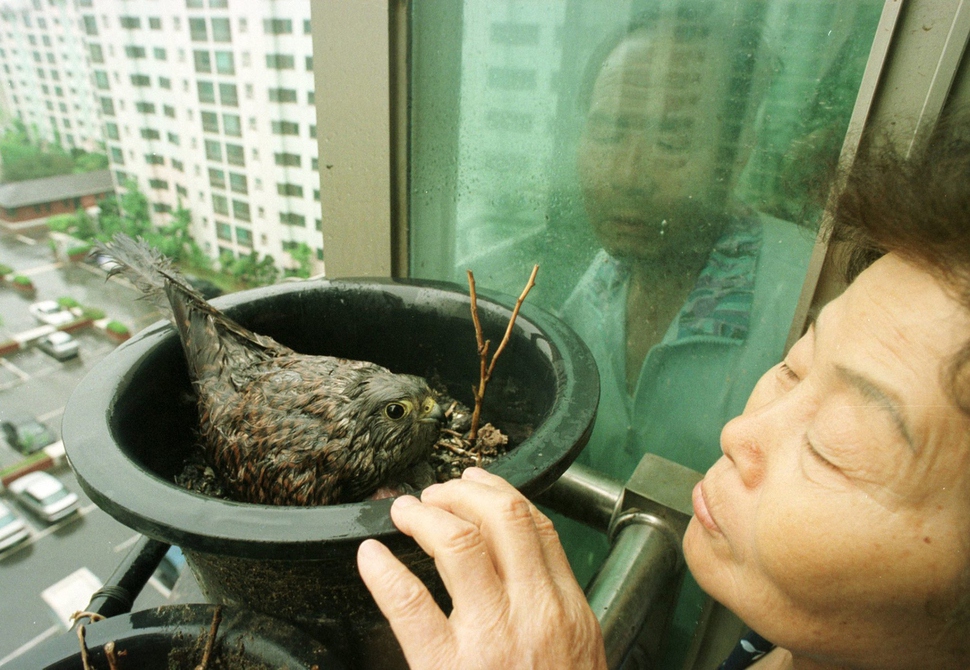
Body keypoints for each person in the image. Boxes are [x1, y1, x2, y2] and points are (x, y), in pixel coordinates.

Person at [357, 113, 970, 670]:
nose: (737, 434)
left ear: (736, 155)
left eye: (835, 444)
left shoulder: (779, 278)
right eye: (794, 367)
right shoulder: (792, 644)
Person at [552, 8, 815, 663]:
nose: (629, 172)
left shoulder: (809, 300)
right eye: (610, 130)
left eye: (672, 141)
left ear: (738, 152)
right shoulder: (604, 275)